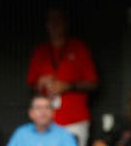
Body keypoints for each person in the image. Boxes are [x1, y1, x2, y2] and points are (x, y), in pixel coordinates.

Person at [27, 8, 99, 146]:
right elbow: (31, 83)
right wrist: (40, 83)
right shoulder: (41, 51)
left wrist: (68, 85)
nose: (54, 24)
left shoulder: (78, 47)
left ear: (66, 23)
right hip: (45, 121)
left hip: (74, 120)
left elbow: (93, 82)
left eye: (58, 20)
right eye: (50, 20)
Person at [7, 95, 77, 146]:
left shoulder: (64, 134)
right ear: (31, 113)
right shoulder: (21, 133)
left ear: (53, 113)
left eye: (47, 107)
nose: (43, 111)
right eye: (38, 108)